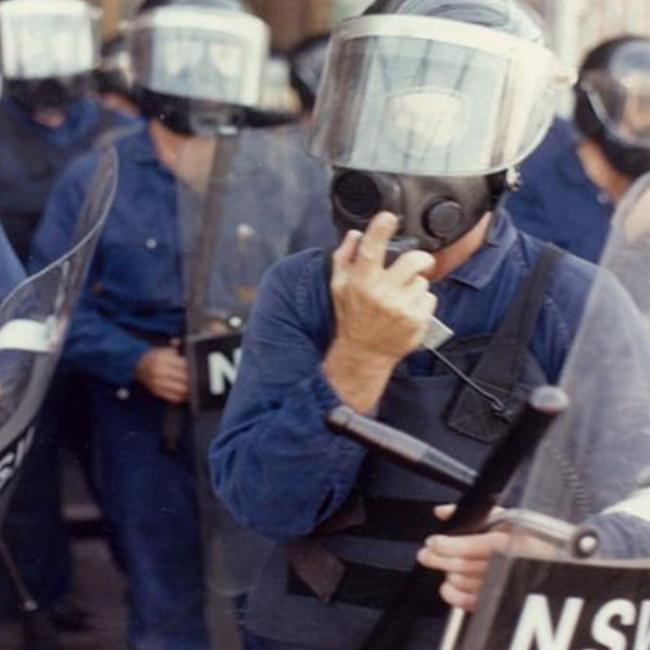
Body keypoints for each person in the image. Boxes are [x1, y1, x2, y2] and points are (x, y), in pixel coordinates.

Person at [209, 1, 648, 649]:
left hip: (490, 628)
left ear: (500, 152)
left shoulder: (574, 298)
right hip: (318, 626)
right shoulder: (301, 288)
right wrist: (356, 357)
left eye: (444, 128)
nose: (408, 153)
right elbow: (263, 505)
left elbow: (638, 499)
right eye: (388, 123)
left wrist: (559, 550)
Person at [31, 0, 335, 648]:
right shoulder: (96, 176)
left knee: (274, 578)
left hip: (260, 401)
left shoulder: (289, 174)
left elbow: (329, 289)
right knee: (161, 580)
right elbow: (52, 306)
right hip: (143, 411)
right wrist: (133, 359)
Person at [506, 35, 650, 263]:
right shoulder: (529, 182)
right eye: (644, 105)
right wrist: (630, 231)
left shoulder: (641, 191)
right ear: (599, 102)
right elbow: (539, 286)